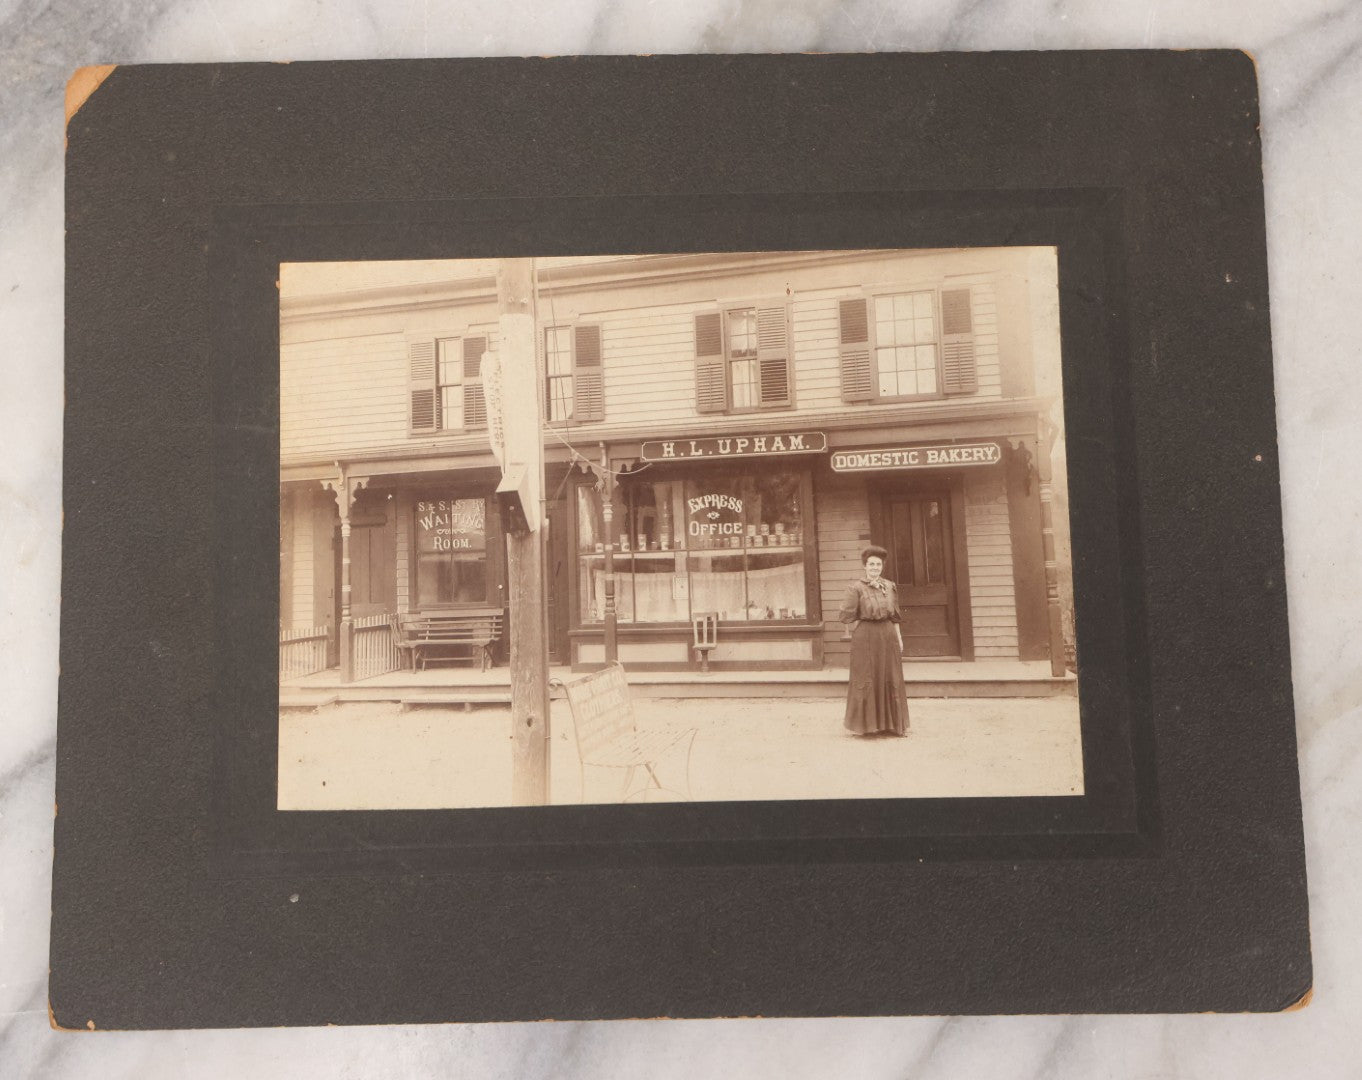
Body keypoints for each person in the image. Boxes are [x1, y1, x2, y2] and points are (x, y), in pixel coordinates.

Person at [838, 545, 910, 737]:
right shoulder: (856, 588)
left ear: (882, 566)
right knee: (867, 677)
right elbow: (845, 617)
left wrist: (899, 638)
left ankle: (892, 725)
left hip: (888, 635)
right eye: (871, 564)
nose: (875, 568)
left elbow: (895, 616)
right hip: (866, 637)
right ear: (865, 566)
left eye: (878, 564)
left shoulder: (890, 586)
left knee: (891, 676)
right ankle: (867, 726)